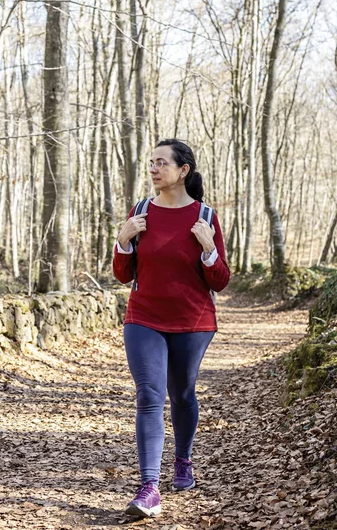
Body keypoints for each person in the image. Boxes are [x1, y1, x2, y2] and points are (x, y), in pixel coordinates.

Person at [113, 138, 230, 518]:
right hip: (143, 317)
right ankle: (149, 487)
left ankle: (183, 459)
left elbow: (220, 281)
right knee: (149, 395)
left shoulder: (205, 218)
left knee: (182, 395)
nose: (153, 168)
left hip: (192, 321)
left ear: (183, 171)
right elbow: (122, 275)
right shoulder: (141, 211)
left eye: (161, 163)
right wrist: (123, 240)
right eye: (151, 162)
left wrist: (208, 247)